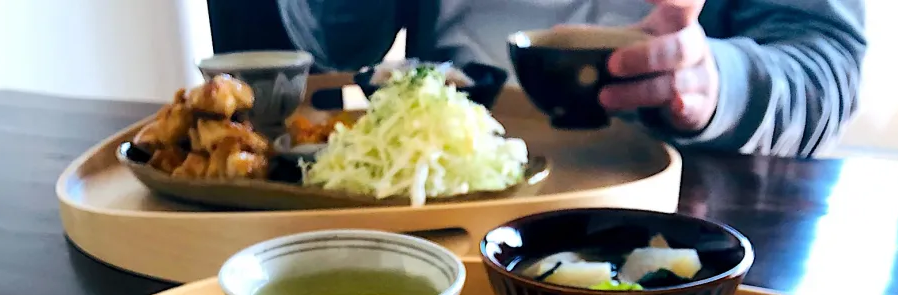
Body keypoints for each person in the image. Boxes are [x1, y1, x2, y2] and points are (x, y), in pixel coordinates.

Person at [275, 0, 866, 158]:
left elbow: (826, 64)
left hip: (678, 204)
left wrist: (716, 83)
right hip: (439, 183)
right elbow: (338, 45)